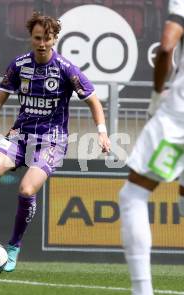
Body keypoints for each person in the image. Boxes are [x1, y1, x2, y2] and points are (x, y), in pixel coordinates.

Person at [0, 11, 111, 272]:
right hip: (20, 135)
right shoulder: (19, 65)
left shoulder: (67, 70)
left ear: (55, 39)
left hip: (51, 142)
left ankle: (13, 247)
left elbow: (93, 100)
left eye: (48, 38)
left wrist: (101, 131)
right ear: (31, 37)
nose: (42, 43)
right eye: (38, 38)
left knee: (27, 190)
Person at [119, 1, 184, 294]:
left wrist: (157, 96)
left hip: (179, 115)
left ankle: (142, 291)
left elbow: (167, 47)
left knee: (133, 195)